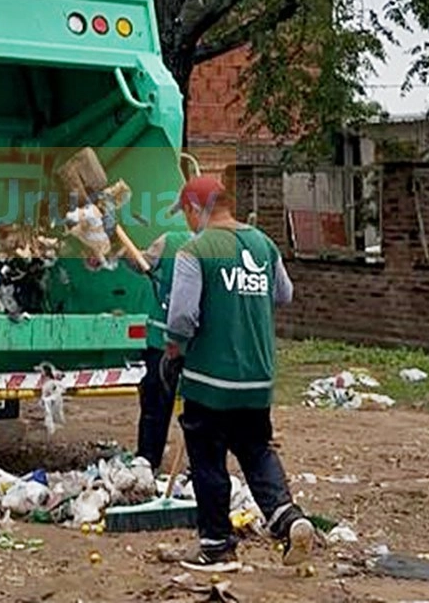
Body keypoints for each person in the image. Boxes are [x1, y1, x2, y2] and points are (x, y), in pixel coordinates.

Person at [162, 175, 315, 572]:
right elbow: (285, 294)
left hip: (211, 378)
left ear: (196, 210)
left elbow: (181, 315)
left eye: (186, 215)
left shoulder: (196, 250)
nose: (187, 223)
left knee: (208, 459)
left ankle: (216, 546)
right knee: (256, 449)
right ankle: (288, 518)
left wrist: (174, 351)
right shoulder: (264, 244)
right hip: (257, 377)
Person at [135, 228, 194, 469]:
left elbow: (141, 263)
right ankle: (200, 466)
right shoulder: (223, 245)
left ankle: (149, 460)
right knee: (199, 408)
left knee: (156, 405)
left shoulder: (172, 241)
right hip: (197, 343)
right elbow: (142, 263)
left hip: (165, 340)